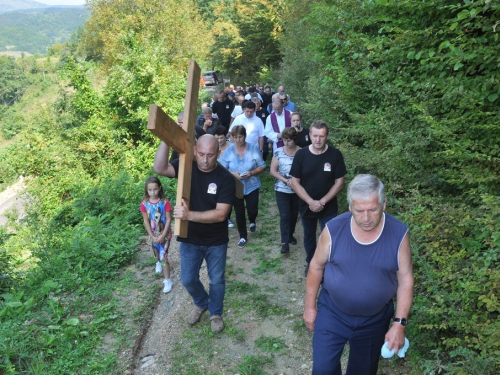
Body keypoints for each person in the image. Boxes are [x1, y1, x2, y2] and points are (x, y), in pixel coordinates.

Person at [303, 174, 414, 375]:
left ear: (384, 204)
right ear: (350, 207)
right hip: (332, 312)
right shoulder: (334, 229)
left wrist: (399, 323)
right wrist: (309, 307)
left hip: (374, 319)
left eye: (372, 210)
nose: (365, 218)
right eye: (358, 210)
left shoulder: (399, 234)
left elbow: (405, 280)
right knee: (322, 370)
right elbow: (316, 267)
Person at [153, 134, 236, 333]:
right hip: (190, 238)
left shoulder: (225, 178)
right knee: (188, 279)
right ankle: (201, 302)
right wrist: (168, 136)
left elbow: (221, 214)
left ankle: (215, 313)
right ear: (195, 151)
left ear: (218, 153)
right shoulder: (186, 167)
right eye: (200, 154)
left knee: (216, 279)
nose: (205, 161)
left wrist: (189, 215)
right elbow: (160, 168)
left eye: (210, 155)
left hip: (216, 240)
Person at [290, 120, 347, 276]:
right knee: (309, 236)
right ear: (309, 136)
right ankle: (311, 262)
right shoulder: (301, 155)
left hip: (328, 206)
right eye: (315, 136)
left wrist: (322, 201)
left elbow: (340, 182)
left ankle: (327, 266)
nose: (318, 140)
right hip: (306, 205)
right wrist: (310, 202)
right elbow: (295, 182)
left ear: (327, 136)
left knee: (328, 237)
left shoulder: (335, 154)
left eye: (321, 136)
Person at [219, 126, 266, 248]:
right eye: (235, 137)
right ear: (232, 137)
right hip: (235, 186)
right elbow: (222, 169)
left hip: (252, 184)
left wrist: (251, 173)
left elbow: (262, 165)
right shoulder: (228, 151)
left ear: (245, 136)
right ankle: (243, 236)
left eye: (240, 137)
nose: (238, 139)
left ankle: (252, 220)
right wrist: (233, 174)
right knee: (239, 212)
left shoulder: (253, 149)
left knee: (252, 209)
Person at [269, 127, 301, 254]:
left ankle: (290, 235)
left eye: (289, 140)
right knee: (285, 215)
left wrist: (295, 181)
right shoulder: (278, 152)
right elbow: (272, 171)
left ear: (294, 140)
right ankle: (284, 243)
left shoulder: (302, 152)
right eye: (284, 140)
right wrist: (284, 180)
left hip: (297, 190)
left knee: (294, 215)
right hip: (281, 189)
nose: (286, 143)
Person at [140, 176, 173, 293]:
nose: (152, 192)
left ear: (159, 188)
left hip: (164, 233)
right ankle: (157, 262)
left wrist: (163, 235)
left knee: (164, 256)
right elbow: (145, 221)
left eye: (155, 189)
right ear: (146, 190)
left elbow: (168, 219)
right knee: (156, 253)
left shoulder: (165, 202)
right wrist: (152, 236)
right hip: (153, 233)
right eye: (150, 190)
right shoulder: (144, 203)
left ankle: (167, 280)